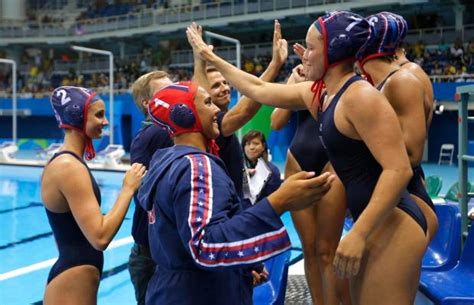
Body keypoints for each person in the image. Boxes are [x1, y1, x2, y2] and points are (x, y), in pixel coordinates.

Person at [187, 11, 431, 304]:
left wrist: (358, 233)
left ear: (333, 51)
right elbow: (258, 89)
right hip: (374, 220)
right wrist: (209, 59)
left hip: (394, 222)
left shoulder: (360, 97)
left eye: (311, 48)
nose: (304, 55)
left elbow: (399, 169)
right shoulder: (323, 95)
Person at [138, 81, 335, 305]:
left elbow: (194, 235)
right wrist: (279, 202)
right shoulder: (195, 166)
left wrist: (242, 265)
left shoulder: (166, 162)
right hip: (201, 294)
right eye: (207, 102)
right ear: (185, 114)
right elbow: (204, 247)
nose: (216, 110)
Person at [42, 86, 146, 305]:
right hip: (73, 279)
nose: (106, 122)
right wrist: (127, 189)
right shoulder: (69, 166)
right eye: (99, 115)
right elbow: (100, 237)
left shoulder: (67, 161)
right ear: (77, 117)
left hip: (74, 274)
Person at [356, 12, 438, 241]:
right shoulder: (389, 76)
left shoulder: (406, 75)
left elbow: (411, 153)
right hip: (400, 182)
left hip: (405, 186)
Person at [191, 20, 288, 198]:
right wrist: (274, 66)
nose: (225, 88)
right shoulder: (213, 124)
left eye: (225, 83)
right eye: (216, 86)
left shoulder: (222, 123)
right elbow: (246, 108)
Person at [128, 71, 174, 305]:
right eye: (166, 91)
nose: (175, 94)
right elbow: (142, 193)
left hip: (154, 249)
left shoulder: (165, 130)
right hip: (152, 253)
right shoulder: (152, 134)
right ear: (148, 103)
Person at [241, 130, 281, 206]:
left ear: (263, 146)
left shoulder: (272, 172)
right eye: (247, 144)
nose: (251, 147)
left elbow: (274, 203)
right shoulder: (239, 170)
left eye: (256, 143)